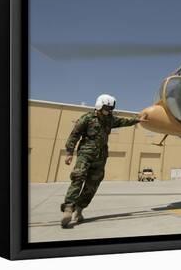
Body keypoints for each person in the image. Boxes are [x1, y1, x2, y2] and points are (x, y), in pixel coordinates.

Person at [60, 94, 145, 228]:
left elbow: (124, 122)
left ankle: (79, 210)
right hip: (86, 154)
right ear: (99, 106)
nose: (109, 111)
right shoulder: (87, 118)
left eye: (110, 109)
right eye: (107, 108)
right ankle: (68, 209)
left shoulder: (110, 119)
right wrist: (69, 152)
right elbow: (74, 134)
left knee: (92, 185)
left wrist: (138, 120)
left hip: (101, 157)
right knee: (78, 177)